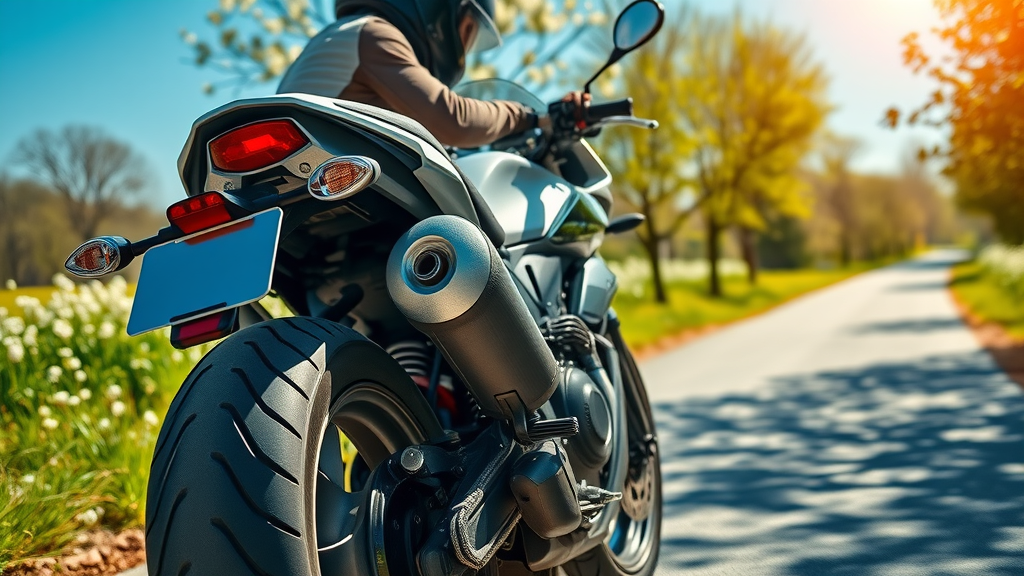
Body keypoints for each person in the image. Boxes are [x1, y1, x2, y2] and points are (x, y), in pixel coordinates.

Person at [277, 0, 586, 148]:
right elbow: (455, 121)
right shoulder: (373, 35)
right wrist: (526, 116)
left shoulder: (339, 35)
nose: (464, 47)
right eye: (467, 30)